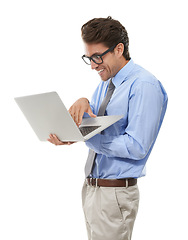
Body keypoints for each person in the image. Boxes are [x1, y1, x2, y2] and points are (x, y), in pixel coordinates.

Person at [48, 16, 168, 240]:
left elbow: (137, 146)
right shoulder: (106, 83)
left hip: (115, 194)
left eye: (97, 57)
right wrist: (73, 128)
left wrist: (88, 139)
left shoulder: (144, 85)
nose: (93, 65)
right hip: (93, 190)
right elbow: (98, 122)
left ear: (119, 49)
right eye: (88, 57)